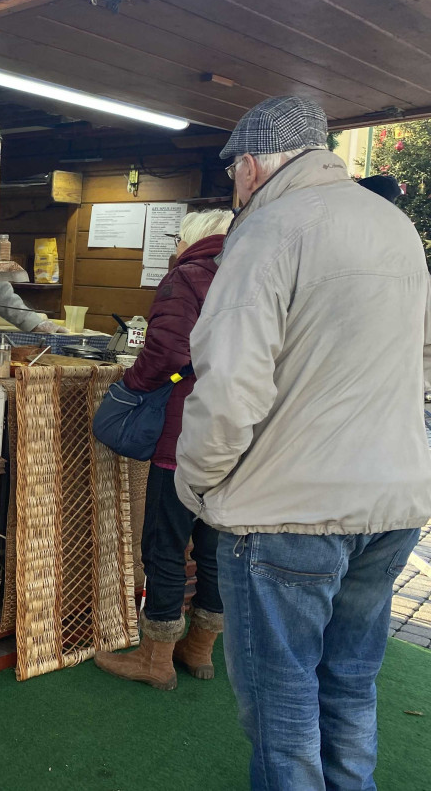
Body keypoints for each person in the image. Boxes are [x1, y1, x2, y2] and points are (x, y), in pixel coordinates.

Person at [175, 96, 431, 790]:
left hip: (287, 509)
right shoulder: (394, 224)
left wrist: (196, 482)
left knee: (282, 696)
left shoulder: (268, 228)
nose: (234, 185)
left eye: (233, 171)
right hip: (395, 503)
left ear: (251, 166)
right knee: (351, 679)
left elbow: (230, 387)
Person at [95, 208, 234, 691]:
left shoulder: (188, 276)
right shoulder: (251, 273)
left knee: (164, 547)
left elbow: (168, 353)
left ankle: (155, 660)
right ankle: (199, 650)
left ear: (191, 238)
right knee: (214, 549)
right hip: (236, 436)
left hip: (184, 433)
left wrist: (133, 385)